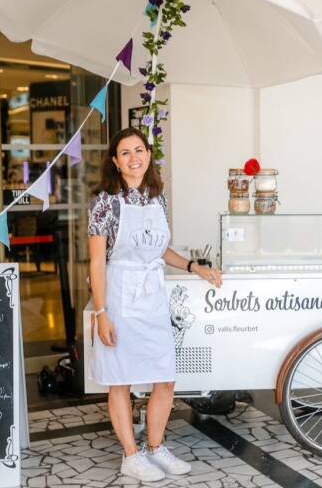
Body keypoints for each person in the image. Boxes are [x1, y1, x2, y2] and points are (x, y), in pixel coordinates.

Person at [88, 127, 222, 482]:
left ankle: (156, 447)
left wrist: (195, 267)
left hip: (152, 299)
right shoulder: (105, 202)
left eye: (140, 150)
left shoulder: (155, 197)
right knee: (122, 381)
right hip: (118, 297)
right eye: (126, 153)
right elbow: (97, 262)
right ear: (115, 162)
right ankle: (131, 456)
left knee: (165, 379)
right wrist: (101, 313)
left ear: (148, 154)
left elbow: (158, 248)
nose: (135, 158)